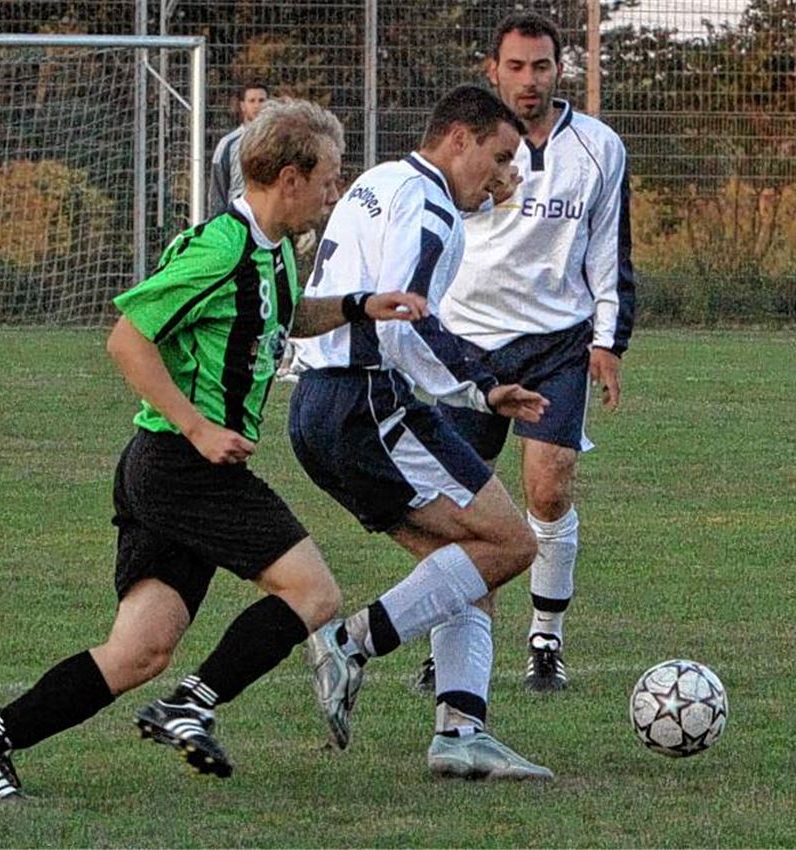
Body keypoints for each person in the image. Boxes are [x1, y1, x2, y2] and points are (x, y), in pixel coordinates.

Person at [0, 98, 427, 801]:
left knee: (139, 651)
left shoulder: (277, 251)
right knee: (316, 593)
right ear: (289, 178)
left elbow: (282, 316)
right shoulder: (219, 249)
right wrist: (198, 426)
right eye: (328, 176)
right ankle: (189, 704)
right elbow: (127, 338)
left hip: (162, 470)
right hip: (183, 466)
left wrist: (358, 305)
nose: (333, 191)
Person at [289, 85, 555, 781]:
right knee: (512, 542)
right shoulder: (434, 206)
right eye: (497, 158)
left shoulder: (380, 180)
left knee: (473, 563)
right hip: (368, 401)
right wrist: (484, 383)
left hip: (316, 409)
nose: (501, 177)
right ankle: (352, 643)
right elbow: (404, 319)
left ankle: (461, 731)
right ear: (458, 139)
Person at [413, 11, 636, 695]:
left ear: (559, 70)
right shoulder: (466, 144)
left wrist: (608, 341)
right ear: (493, 69)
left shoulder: (598, 147)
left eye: (541, 66)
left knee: (548, 483)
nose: (528, 80)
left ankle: (545, 639)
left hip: (555, 345)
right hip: (467, 346)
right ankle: (451, 637)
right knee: (458, 504)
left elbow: (609, 252)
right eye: (515, 66)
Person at [208, 81, 270, 216]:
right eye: (252, 101)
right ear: (243, 105)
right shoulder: (228, 144)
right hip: (238, 219)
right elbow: (218, 189)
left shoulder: (280, 142)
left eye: (261, 100)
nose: (257, 105)